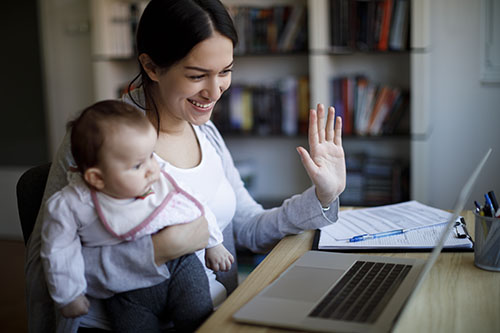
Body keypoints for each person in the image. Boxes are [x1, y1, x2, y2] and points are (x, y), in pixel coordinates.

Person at [25, 0, 346, 331]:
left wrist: (322, 196)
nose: (214, 90)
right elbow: (46, 268)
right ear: (151, 67)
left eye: (225, 72)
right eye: (197, 75)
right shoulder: (101, 138)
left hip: (215, 314)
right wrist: (158, 251)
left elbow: (247, 227)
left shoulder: (206, 131)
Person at [40, 100, 233, 331]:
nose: (153, 168)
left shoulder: (158, 177)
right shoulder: (71, 204)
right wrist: (69, 295)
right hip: (125, 290)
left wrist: (214, 243)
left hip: (180, 268)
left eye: (151, 155)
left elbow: (194, 204)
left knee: (199, 321)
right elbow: (58, 251)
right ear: (97, 178)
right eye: (137, 165)